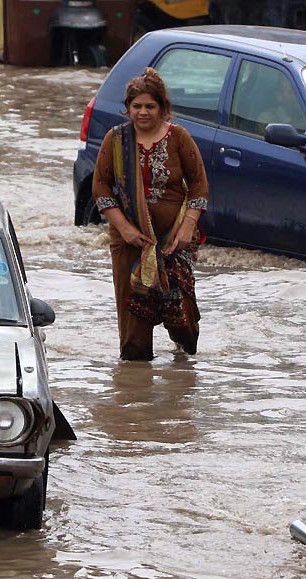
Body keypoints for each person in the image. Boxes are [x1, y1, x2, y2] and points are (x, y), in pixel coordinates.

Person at [91, 67, 209, 361]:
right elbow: (101, 188)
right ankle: (135, 390)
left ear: (162, 108)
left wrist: (186, 228)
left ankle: (183, 371)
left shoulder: (178, 137)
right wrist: (125, 228)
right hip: (130, 241)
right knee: (134, 322)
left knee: (181, 317)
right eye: (137, 106)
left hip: (173, 240)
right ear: (128, 108)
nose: (143, 112)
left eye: (150, 106)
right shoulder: (116, 140)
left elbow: (199, 185)